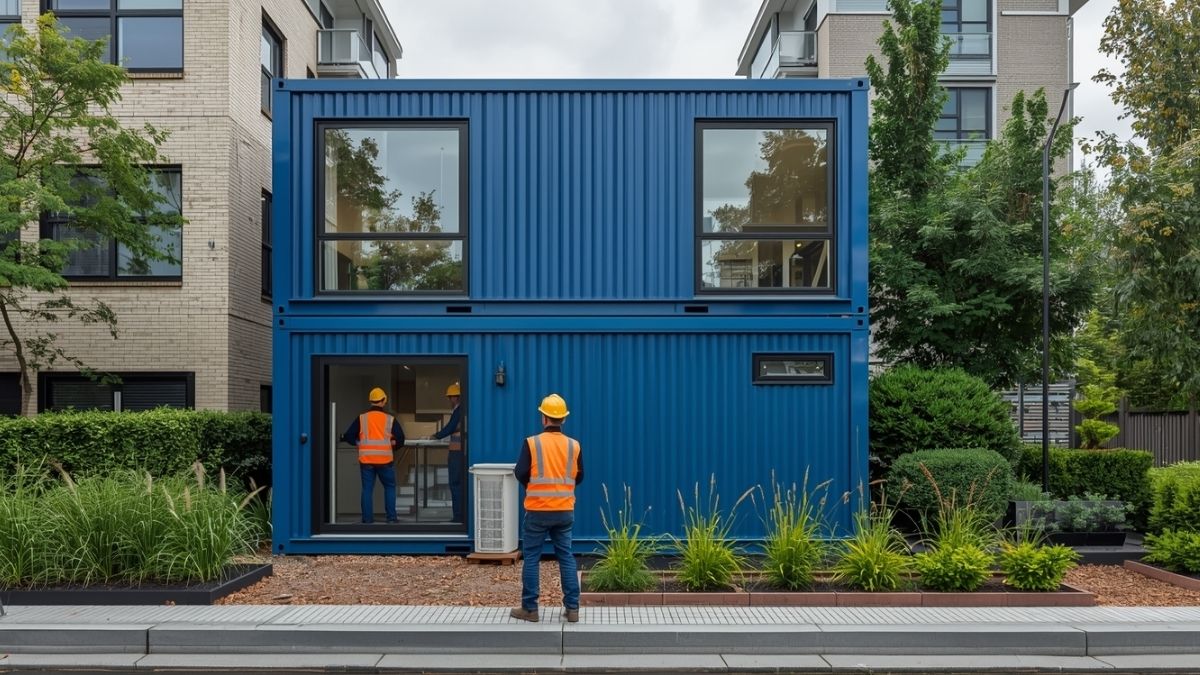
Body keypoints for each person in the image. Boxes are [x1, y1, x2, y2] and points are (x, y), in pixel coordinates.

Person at [510, 393, 583, 624]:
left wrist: (533, 486)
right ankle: (572, 608)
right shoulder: (574, 445)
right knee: (566, 556)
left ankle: (530, 609)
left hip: (538, 510)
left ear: (544, 418)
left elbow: (520, 473)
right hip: (564, 510)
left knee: (532, 557)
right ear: (563, 419)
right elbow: (579, 476)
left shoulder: (532, 443)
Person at [342, 387, 405, 524]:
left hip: (367, 461)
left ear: (371, 401)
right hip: (385, 460)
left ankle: (367, 519)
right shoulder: (390, 419)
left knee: (367, 490)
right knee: (389, 487)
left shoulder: (362, 418)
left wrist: (359, 443)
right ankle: (391, 519)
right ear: (383, 401)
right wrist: (392, 445)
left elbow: (348, 436)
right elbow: (401, 439)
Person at [428, 382, 465, 523]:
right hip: (459, 452)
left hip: (457, 453)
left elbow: (450, 427)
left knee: (455, 484)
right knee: (458, 484)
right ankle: (460, 515)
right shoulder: (461, 410)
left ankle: (458, 516)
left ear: (456, 397)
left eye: (450, 397)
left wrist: (436, 435)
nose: (449, 400)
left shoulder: (459, 410)